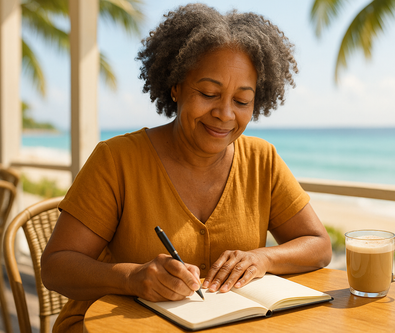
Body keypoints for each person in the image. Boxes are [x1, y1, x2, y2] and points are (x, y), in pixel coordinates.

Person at [41, 3, 332, 332]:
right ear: (175, 87)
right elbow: (55, 267)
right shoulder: (117, 159)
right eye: (209, 93)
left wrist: (262, 258)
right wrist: (131, 278)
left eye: (241, 101)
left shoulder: (261, 160)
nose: (224, 114)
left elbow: (319, 245)